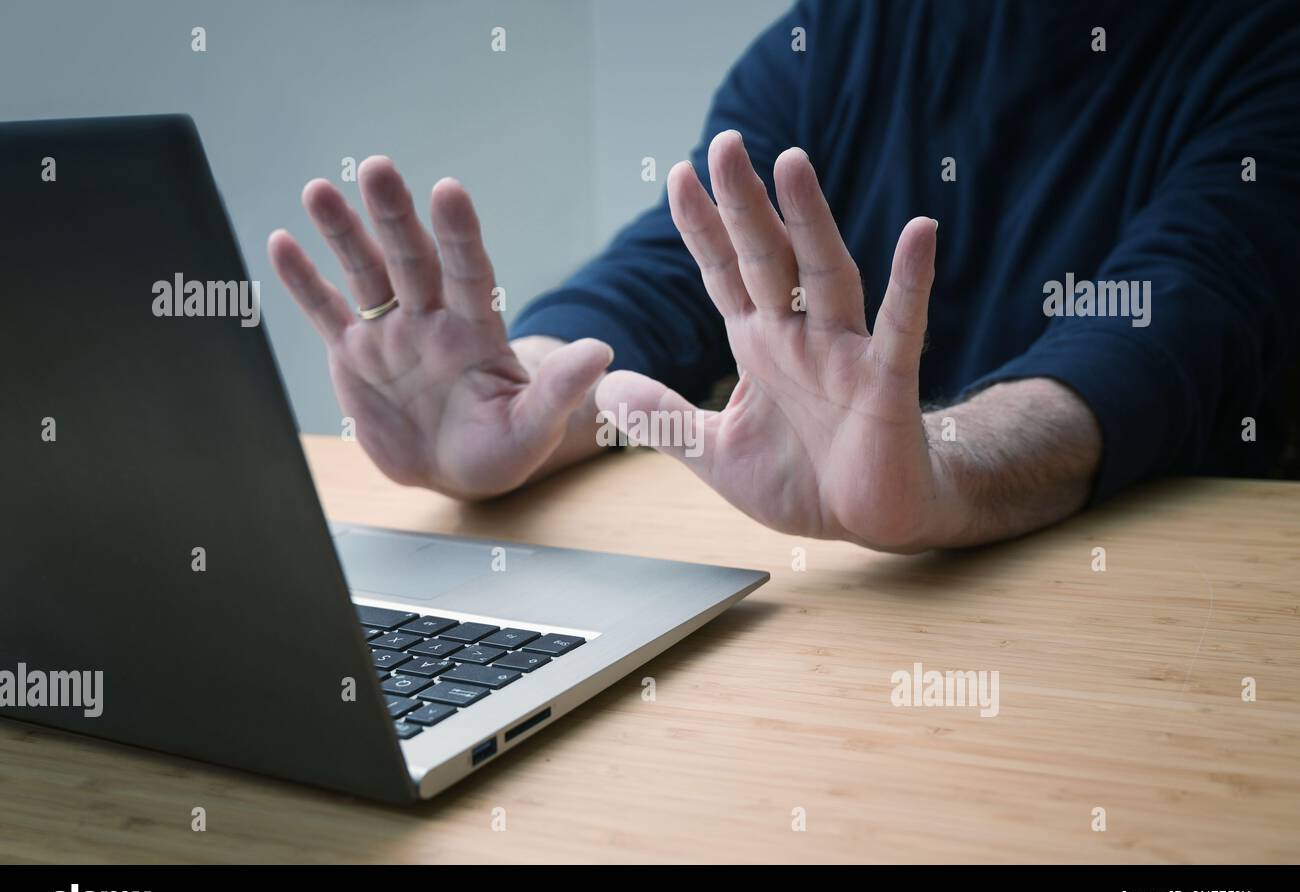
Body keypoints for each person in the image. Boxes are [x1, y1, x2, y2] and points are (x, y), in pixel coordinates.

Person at [268, 0, 1299, 553]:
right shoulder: (837, 36)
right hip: (851, 645)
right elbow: (681, 269)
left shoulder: (1264, 49)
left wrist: (941, 465)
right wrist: (515, 397)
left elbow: (1155, 351)